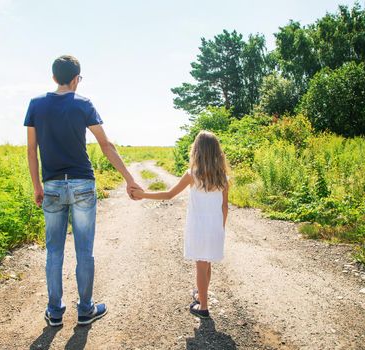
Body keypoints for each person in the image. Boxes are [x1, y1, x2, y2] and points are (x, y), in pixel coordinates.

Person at [24, 55, 142, 327]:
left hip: (52, 185)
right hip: (82, 184)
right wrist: (129, 178)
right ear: (76, 78)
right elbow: (105, 144)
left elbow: (32, 149)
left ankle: (54, 311)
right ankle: (85, 309)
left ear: (54, 77)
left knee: (54, 251)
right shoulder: (83, 104)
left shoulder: (36, 105)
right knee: (84, 250)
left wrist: (37, 186)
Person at [132, 131, 229, 318]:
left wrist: (142, 195)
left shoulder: (192, 174)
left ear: (197, 151)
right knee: (206, 264)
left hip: (199, 227)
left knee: (201, 265)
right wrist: (221, 227)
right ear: (217, 151)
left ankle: (203, 308)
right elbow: (224, 206)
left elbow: (169, 195)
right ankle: (202, 298)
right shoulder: (222, 177)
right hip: (216, 227)